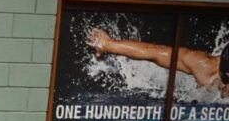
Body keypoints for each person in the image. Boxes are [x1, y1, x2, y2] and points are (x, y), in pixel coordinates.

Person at [88, 28, 229, 97]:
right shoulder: (204, 65)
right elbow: (155, 52)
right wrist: (108, 44)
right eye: (225, 79)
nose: (224, 86)